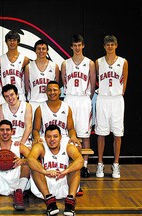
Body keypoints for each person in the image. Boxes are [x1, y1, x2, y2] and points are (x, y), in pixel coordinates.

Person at [28, 125, 83, 215]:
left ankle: (70, 201)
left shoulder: (67, 146)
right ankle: (49, 201)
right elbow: (30, 159)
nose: (52, 139)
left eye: (55, 136)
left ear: (60, 137)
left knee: (76, 168)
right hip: (45, 185)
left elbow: (80, 160)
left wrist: (65, 171)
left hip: (64, 183)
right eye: (49, 137)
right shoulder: (40, 146)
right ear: (45, 138)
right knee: (35, 168)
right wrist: (45, 171)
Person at [61, 34, 96, 178]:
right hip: (69, 98)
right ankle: (69, 163)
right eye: (74, 45)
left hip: (83, 99)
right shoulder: (65, 64)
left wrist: (87, 96)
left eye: (79, 45)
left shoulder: (90, 63)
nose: (77, 48)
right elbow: (64, 82)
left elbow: (93, 84)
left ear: (83, 46)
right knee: (68, 132)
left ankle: (85, 166)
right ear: (71, 46)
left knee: (84, 134)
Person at [95, 35, 128, 179]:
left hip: (116, 99)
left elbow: (124, 81)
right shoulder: (98, 62)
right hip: (102, 98)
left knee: (117, 134)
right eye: (107, 44)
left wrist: (120, 93)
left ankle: (116, 164)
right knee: (101, 133)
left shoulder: (123, 62)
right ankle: (100, 164)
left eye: (112, 44)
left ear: (116, 45)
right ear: (104, 46)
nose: (110, 47)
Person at [24, 39, 60, 118]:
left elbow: (56, 86)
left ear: (47, 50)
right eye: (38, 48)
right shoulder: (29, 67)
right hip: (34, 102)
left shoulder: (54, 66)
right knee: (34, 129)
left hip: (48, 102)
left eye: (43, 48)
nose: (41, 51)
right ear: (35, 50)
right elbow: (27, 87)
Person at [0, 30, 30, 106]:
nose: (12, 43)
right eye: (9, 40)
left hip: (19, 95)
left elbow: (27, 81)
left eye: (14, 40)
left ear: (18, 42)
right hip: (4, 95)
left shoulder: (25, 60)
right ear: (6, 42)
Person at [0, 84, 32, 149]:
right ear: (4, 98)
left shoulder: (26, 106)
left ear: (17, 94)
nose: (10, 98)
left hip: (23, 139)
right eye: (6, 96)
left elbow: (29, 127)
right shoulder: (2, 107)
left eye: (12, 95)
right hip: (7, 139)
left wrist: (22, 143)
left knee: (29, 153)